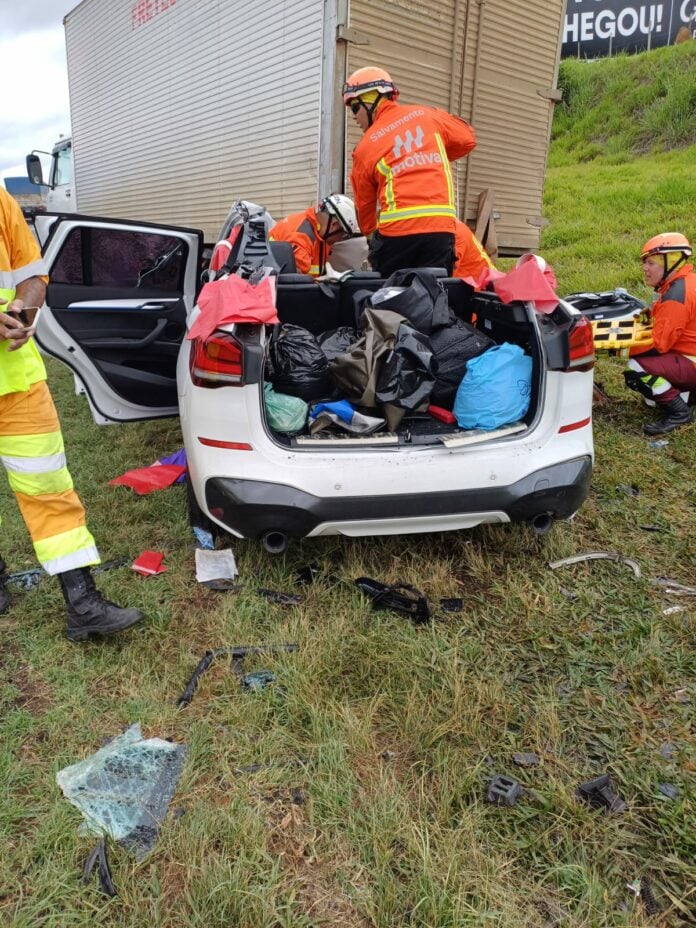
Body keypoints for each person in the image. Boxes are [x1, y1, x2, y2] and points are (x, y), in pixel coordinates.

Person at [0, 187, 143, 639]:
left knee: (50, 485)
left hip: (16, 378)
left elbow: (33, 274)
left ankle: (83, 604)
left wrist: (25, 308)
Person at [343, 66, 476, 277]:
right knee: (432, 297)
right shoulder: (426, 115)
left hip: (397, 236)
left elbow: (364, 207)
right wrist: (427, 156)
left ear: (369, 101)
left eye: (353, 109)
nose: (354, 118)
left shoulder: (366, 146)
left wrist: (370, 234)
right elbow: (468, 138)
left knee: (392, 300)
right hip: (441, 231)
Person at [624, 232, 695, 435]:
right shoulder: (684, 283)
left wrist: (624, 348)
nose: (645, 268)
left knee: (636, 368)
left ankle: (680, 413)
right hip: (689, 354)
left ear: (670, 262)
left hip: (691, 360)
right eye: (644, 263)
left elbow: (658, 343)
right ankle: (686, 396)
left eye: (651, 263)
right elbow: (662, 322)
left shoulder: (676, 295)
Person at [269, 194, 361, 277]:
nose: (339, 239)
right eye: (343, 235)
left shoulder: (318, 233)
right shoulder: (301, 235)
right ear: (334, 225)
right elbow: (296, 283)